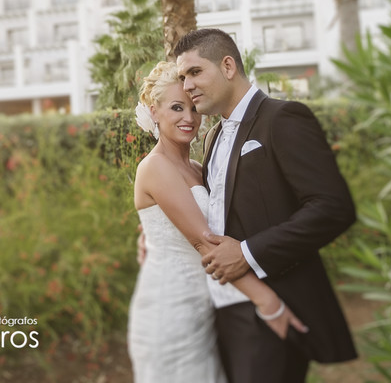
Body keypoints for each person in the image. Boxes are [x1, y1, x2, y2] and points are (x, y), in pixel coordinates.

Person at [173, 28, 357, 382]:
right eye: (182, 77)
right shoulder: (212, 136)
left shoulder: (283, 118)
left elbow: (332, 207)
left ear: (228, 66)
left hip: (274, 301)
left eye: (195, 72)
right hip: (223, 306)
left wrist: (247, 253)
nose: (187, 86)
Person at [127, 61, 306, 383]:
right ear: (153, 112)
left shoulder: (198, 165)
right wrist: (268, 301)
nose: (189, 118)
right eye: (176, 108)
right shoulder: (154, 167)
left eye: (194, 108)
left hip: (206, 306)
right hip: (169, 309)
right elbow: (204, 242)